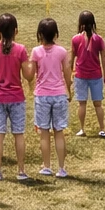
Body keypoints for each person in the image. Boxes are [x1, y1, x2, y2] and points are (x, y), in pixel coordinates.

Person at [0, 13, 29, 181]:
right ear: (16, 31)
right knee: (19, 134)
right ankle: (21, 170)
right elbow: (28, 73)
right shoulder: (21, 50)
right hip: (16, 97)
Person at [30, 18, 73, 177]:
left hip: (42, 95)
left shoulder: (36, 52)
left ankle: (46, 166)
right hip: (59, 94)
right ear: (56, 34)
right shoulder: (62, 51)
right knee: (59, 132)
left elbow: (32, 73)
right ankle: (61, 168)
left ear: (40, 34)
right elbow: (67, 73)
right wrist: (69, 89)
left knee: (44, 132)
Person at [72, 10, 105, 137]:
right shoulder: (99, 39)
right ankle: (102, 128)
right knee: (98, 104)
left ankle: (82, 129)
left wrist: (70, 72)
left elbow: (72, 57)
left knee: (82, 103)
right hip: (95, 75)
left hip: (80, 75)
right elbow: (104, 57)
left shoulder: (76, 39)